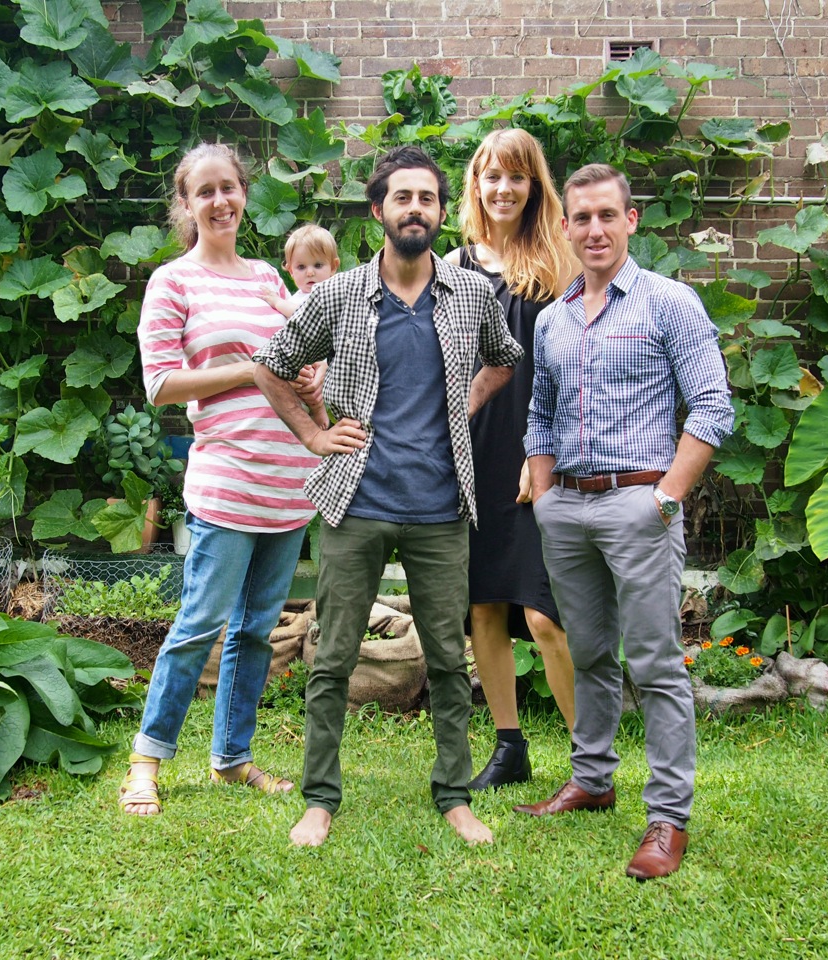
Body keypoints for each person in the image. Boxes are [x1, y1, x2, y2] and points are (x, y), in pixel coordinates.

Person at [252, 146, 525, 847]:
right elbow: (273, 365)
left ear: (439, 211)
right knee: (333, 654)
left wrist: (465, 402)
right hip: (356, 502)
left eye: (428, 198)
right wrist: (315, 436)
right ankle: (319, 799)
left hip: (441, 509)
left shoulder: (469, 294)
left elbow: (505, 359)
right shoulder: (338, 294)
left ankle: (456, 797)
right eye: (402, 197)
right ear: (379, 211)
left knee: (446, 657)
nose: (415, 209)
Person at [513, 164, 733, 881]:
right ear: (566, 226)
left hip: (640, 504)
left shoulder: (669, 304)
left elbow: (711, 408)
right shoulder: (552, 319)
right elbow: (539, 412)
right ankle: (593, 779)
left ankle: (667, 818)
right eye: (581, 218)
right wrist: (545, 496)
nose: (595, 230)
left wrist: (665, 499)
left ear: (631, 220)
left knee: (656, 663)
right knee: (592, 652)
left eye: (607, 215)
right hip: (567, 508)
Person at [119, 142, 324, 817]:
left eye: (228, 188)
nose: (219, 202)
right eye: (204, 191)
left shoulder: (268, 277)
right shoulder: (172, 283)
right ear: (186, 203)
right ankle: (146, 760)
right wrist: (249, 369)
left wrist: (310, 372)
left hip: (288, 481)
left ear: (244, 193)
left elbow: (299, 352)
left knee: (257, 629)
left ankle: (231, 759)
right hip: (227, 480)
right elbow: (161, 385)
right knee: (201, 622)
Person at [444, 128, 579, 791]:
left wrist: (544, 448)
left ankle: (591, 762)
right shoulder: (453, 267)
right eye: (492, 175)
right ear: (476, 184)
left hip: (537, 456)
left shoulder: (560, 261)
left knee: (545, 613)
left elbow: (576, 366)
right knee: (483, 608)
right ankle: (509, 748)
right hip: (471, 454)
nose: (503, 188)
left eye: (517, 177)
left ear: (534, 187)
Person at [260, 223, 341, 318]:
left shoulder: (329, 295)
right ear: (291, 271)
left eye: (318, 265)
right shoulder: (296, 298)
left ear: (333, 267)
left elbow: (304, 315)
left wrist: (278, 302)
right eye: (301, 267)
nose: (310, 273)